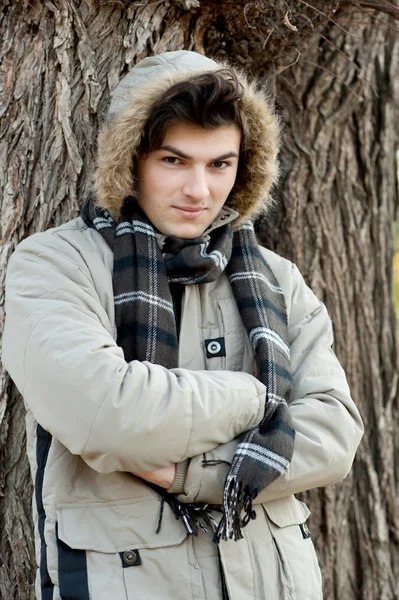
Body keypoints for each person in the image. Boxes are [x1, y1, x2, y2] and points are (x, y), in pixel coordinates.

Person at [2, 50, 363, 600]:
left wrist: (193, 474)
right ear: (132, 160)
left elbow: (334, 434)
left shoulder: (277, 279)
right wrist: (258, 399)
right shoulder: (55, 264)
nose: (199, 190)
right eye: (174, 160)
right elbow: (109, 416)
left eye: (220, 164)